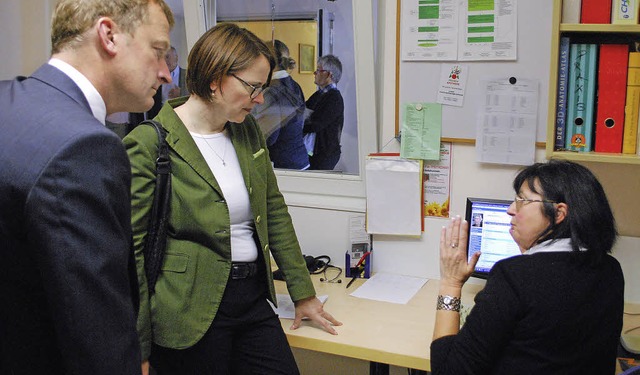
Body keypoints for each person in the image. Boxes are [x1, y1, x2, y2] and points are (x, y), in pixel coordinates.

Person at [124, 23, 342, 375]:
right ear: (215, 79)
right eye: (254, 87)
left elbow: (273, 211)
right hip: (188, 308)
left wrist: (304, 293)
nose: (260, 99)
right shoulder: (151, 144)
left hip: (253, 298)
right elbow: (132, 254)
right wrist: (138, 345)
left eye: (263, 88)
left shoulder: (246, 130)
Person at [0, 0, 174, 374]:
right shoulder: (83, 147)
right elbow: (96, 337)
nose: (167, 74)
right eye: (158, 52)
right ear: (109, 35)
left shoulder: (7, 99)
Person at [431, 160, 624, 374]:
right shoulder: (611, 269)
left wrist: (450, 283)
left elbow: (448, 371)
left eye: (522, 200)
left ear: (558, 213)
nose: (510, 210)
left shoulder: (515, 275)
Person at [252, 40, 310, 170]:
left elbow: (268, 137)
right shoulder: (295, 85)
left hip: (285, 165)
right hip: (300, 161)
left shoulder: (272, 90)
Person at [303, 54, 344, 170]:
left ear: (329, 74)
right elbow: (303, 111)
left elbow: (316, 124)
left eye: (318, 70)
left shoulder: (334, 98)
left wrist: (299, 124)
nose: (315, 73)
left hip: (324, 155)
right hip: (313, 153)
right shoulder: (318, 95)